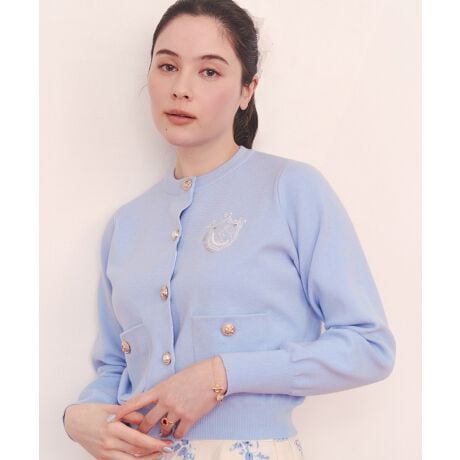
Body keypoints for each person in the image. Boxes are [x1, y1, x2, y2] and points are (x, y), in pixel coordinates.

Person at [62, 0, 396, 459]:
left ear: (247, 90)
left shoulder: (291, 189)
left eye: (209, 71)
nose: (181, 89)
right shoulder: (125, 225)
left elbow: (369, 347)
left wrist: (221, 374)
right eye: (167, 66)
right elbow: (115, 365)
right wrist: (77, 417)